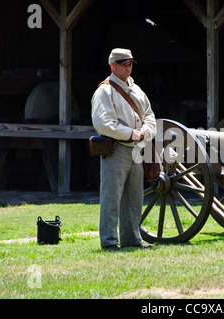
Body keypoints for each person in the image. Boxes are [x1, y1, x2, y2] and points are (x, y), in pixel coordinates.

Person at [91, 48, 156, 251]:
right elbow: (103, 123)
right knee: (112, 197)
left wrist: (147, 129)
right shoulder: (105, 90)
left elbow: (150, 115)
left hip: (136, 149)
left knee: (134, 198)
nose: (128, 68)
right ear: (113, 66)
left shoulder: (136, 90)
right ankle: (109, 242)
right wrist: (130, 133)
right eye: (124, 64)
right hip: (117, 149)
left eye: (130, 64)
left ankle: (132, 239)